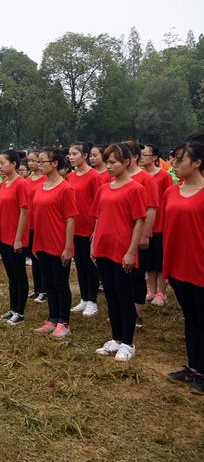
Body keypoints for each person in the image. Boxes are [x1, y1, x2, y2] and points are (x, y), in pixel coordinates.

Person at [90, 143, 146, 362]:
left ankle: (128, 342)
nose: (109, 166)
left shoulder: (135, 189)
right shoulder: (104, 188)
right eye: (108, 161)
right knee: (111, 296)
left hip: (122, 250)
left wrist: (131, 251)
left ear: (126, 162)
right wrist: (95, 242)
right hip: (104, 249)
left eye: (113, 162)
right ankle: (116, 338)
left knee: (125, 296)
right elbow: (98, 216)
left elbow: (139, 221)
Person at [161, 141, 204, 394]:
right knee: (190, 318)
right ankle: (193, 366)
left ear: (197, 163)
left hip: (200, 266)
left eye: (180, 159)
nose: (174, 163)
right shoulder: (171, 192)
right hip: (178, 265)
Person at [31, 148, 78, 338]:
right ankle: (52, 318)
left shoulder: (66, 188)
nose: (39, 165)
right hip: (42, 243)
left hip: (58, 243)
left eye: (42, 161)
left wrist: (68, 247)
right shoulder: (40, 187)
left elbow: (70, 219)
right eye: (38, 161)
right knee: (48, 283)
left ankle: (63, 322)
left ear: (55, 163)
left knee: (60, 283)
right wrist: (35, 243)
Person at [123, 141, 159, 328]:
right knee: (123, 276)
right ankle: (124, 310)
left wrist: (145, 235)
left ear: (134, 157)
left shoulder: (146, 179)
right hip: (121, 235)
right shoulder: (117, 178)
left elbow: (151, 208)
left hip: (137, 235)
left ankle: (136, 313)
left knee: (137, 275)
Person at [0, 150, 30, 326]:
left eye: (3, 163)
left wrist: (18, 238)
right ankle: (13, 308)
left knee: (19, 274)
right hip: (3, 235)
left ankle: (20, 312)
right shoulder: (3, 183)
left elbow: (24, 212)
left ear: (14, 164)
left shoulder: (21, 184)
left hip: (15, 237)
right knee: (11, 275)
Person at [66, 142, 102, 317]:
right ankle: (84, 298)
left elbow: (99, 204)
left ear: (85, 155)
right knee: (79, 264)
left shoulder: (94, 176)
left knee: (90, 265)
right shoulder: (71, 177)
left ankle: (93, 301)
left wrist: (96, 228)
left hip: (89, 227)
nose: (71, 157)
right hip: (75, 227)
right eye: (70, 154)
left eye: (74, 154)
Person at [140, 144, 174, 306]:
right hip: (145, 225)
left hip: (161, 224)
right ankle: (151, 290)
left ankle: (162, 292)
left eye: (145, 155)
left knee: (161, 261)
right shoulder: (139, 176)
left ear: (154, 158)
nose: (142, 157)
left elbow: (169, 199)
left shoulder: (164, 176)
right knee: (149, 261)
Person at [26, 151, 47, 303]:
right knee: (34, 258)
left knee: (42, 259)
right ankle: (37, 288)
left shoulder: (45, 180)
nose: (31, 163)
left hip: (41, 223)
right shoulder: (27, 180)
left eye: (35, 161)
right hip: (30, 223)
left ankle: (45, 289)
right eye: (30, 161)